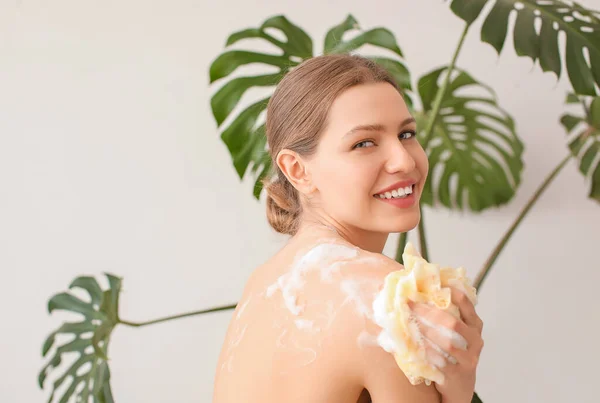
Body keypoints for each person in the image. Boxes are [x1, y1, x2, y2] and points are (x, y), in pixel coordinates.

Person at [212, 54, 484, 403]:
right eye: (364, 143)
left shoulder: (262, 284)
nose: (404, 160)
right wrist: (459, 391)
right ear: (298, 171)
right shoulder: (388, 301)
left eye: (406, 134)